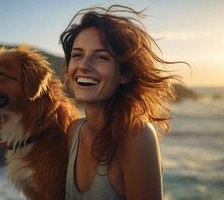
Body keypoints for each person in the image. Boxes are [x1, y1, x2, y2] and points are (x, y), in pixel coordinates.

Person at [60, 5, 180, 200]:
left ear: (124, 73)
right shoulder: (73, 132)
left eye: (101, 57)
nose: (83, 66)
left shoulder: (137, 136)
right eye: (77, 55)